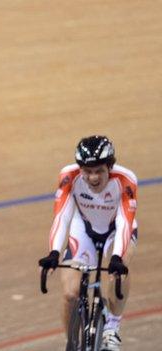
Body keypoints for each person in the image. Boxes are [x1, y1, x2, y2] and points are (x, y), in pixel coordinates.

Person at [38, 135, 137, 351]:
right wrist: (54, 252)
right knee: (70, 294)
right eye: (87, 171)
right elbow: (62, 217)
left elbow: (124, 223)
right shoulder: (69, 176)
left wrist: (118, 258)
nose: (93, 177)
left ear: (110, 167)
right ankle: (72, 343)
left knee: (119, 270)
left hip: (115, 231)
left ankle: (112, 327)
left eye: (99, 170)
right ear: (79, 168)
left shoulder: (125, 179)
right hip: (83, 230)